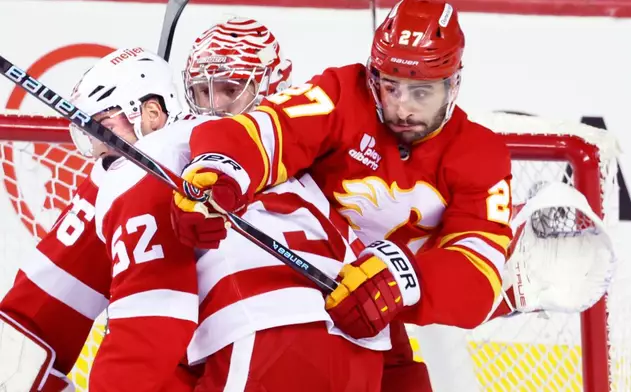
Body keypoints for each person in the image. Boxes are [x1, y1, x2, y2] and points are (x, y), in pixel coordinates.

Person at [171, 0, 514, 347]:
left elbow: (480, 273)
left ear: (452, 85)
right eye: (391, 87)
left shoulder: (480, 154)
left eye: (421, 93)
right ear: (374, 75)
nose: (402, 108)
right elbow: (273, 129)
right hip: (295, 301)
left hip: (381, 323)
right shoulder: (344, 93)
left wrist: (403, 278)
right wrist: (220, 166)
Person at [0, 47, 190, 392]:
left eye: (103, 129)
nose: (99, 149)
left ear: (153, 114)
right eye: (88, 136)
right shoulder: (107, 188)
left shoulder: (231, 151)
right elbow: (15, 347)